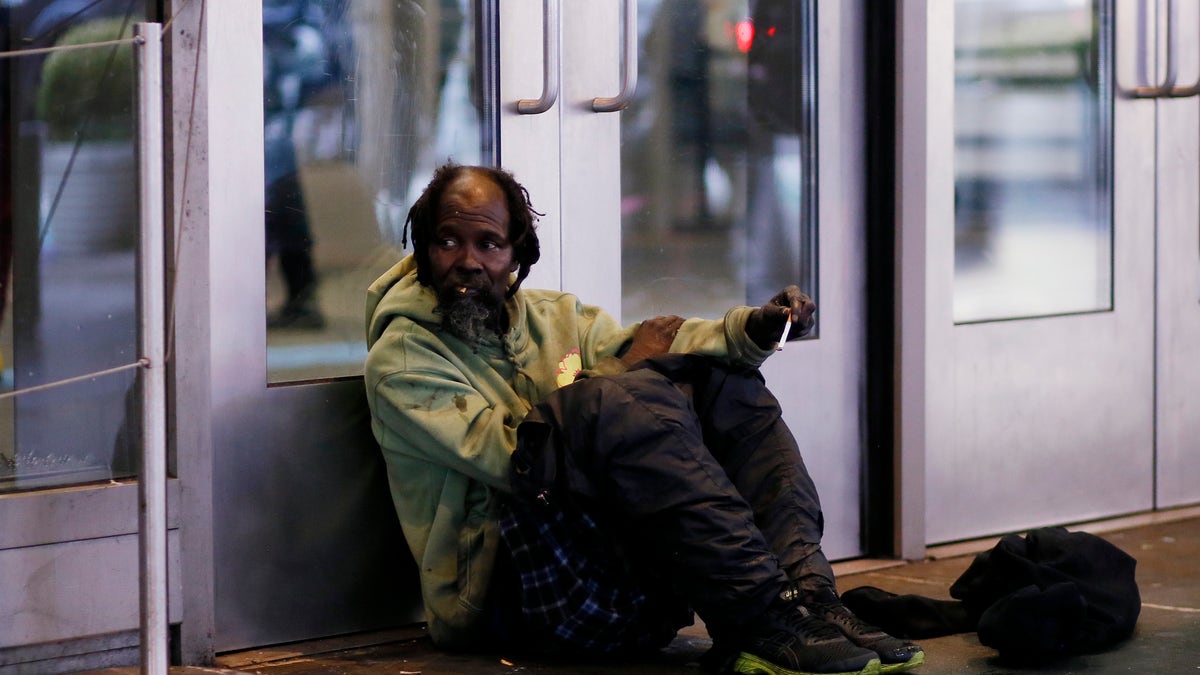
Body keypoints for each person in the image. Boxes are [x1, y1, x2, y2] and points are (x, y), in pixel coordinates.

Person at [364, 163, 924, 675]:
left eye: (488, 243)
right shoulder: (403, 359)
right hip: (508, 597)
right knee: (614, 401)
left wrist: (750, 331)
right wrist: (614, 372)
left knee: (722, 383)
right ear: (422, 251)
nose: (467, 260)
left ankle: (806, 599)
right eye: (447, 241)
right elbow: (516, 460)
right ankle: (758, 615)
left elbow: (660, 343)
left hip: (615, 571)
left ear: (516, 255)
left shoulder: (556, 315)